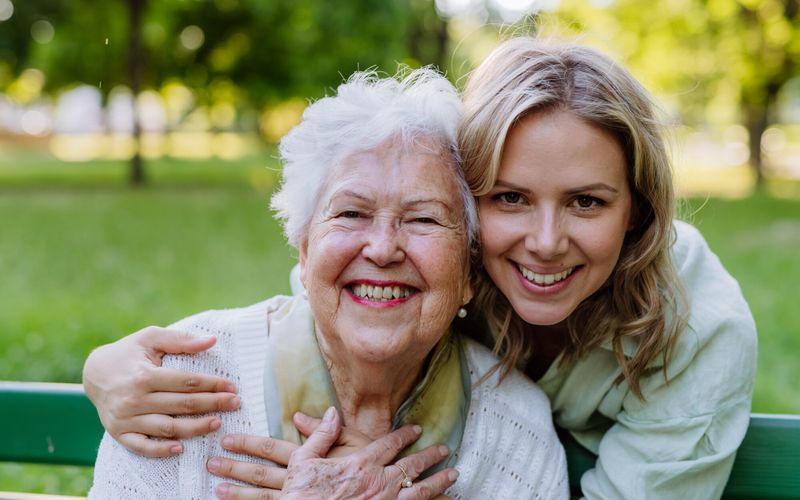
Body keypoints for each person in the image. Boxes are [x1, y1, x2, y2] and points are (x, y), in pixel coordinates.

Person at [84, 38, 757, 499]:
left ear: (638, 211)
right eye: (510, 197)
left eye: (587, 201)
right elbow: (348, 291)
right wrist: (101, 368)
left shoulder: (698, 336)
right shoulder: (198, 382)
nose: (546, 241)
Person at [86, 67, 569, 499]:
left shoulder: (516, 429)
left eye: (423, 219)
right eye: (351, 213)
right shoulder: (174, 389)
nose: (382, 248)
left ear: (469, 271)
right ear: (304, 250)